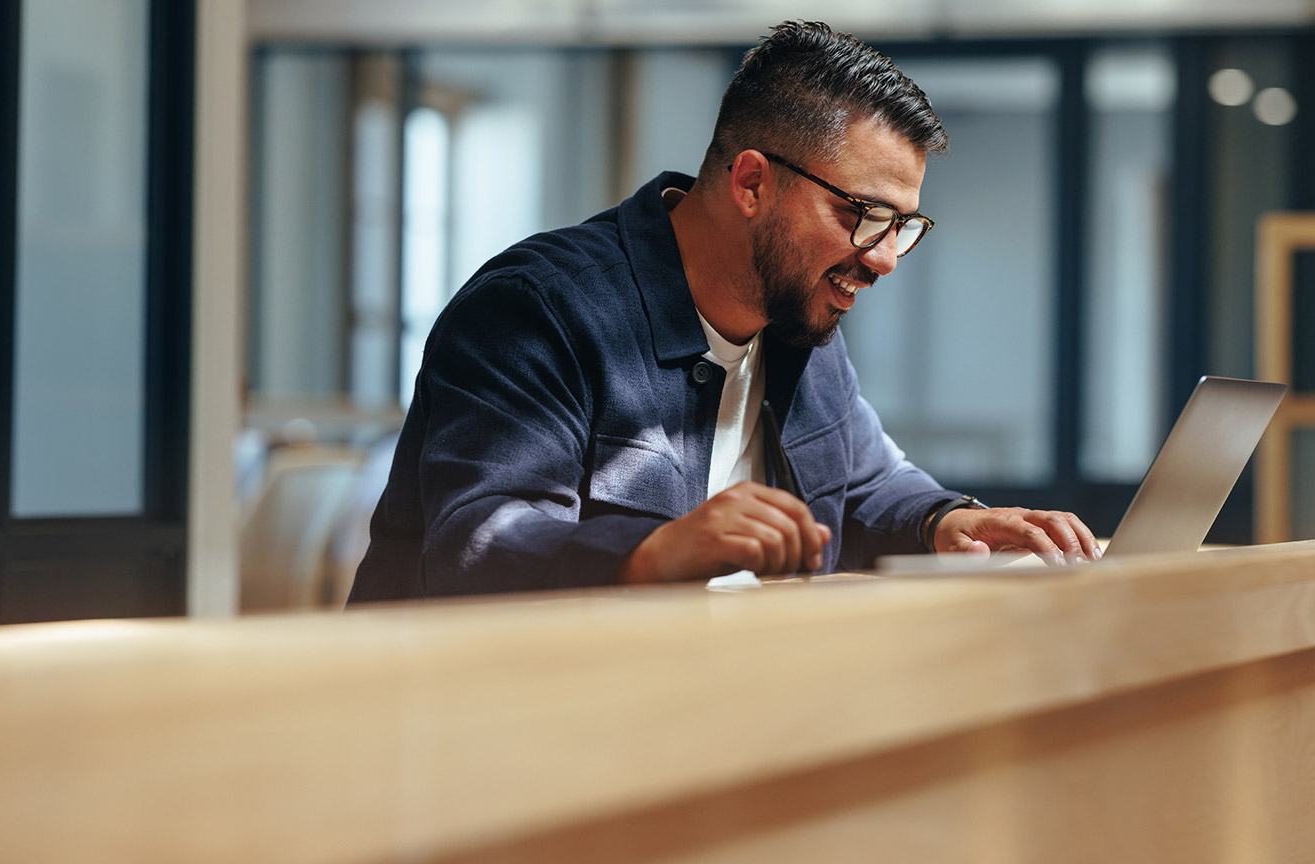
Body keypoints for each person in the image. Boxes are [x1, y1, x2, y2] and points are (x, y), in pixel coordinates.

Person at [348, 21, 1099, 603]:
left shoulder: (799, 319)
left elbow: (865, 484)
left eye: (902, 224)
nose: (884, 257)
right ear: (751, 184)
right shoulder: (539, 311)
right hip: (480, 753)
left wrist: (949, 522)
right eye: (865, 214)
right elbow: (477, 546)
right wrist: (652, 554)